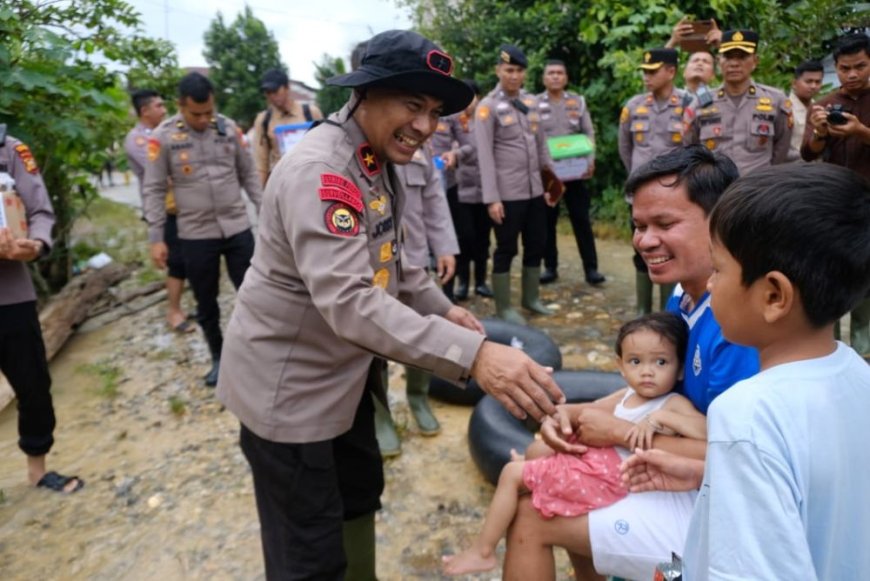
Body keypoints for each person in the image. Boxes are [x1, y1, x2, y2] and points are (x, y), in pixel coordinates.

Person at [215, 30, 565, 581]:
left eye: (433, 111)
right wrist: (473, 355)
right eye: (412, 105)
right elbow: (351, 302)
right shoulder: (324, 173)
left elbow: (392, 260)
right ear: (365, 94)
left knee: (358, 494)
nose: (426, 126)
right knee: (308, 551)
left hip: (346, 376)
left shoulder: (375, 157)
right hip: (291, 391)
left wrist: (439, 307)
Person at [501, 146, 760, 581]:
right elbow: (657, 386)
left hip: (715, 515)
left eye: (665, 224)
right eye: (639, 226)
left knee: (531, 514)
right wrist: (581, 413)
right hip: (678, 473)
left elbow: (737, 458)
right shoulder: (685, 295)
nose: (644, 241)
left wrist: (616, 431)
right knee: (541, 451)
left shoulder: (738, 325)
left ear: (722, 221)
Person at [622, 162, 870, 579]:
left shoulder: (747, 413)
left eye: (719, 270)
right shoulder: (855, 374)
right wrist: (707, 473)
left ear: (773, 295)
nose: (711, 284)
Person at [442, 311, 707, 576]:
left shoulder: (672, 403)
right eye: (636, 362)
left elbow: (708, 432)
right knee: (535, 452)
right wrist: (560, 416)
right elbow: (585, 411)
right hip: (604, 474)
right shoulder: (626, 397)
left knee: (514, 475)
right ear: (621, 366)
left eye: (661, 362)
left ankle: (483, 551)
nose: (647, 372)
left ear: (680, 369)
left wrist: (663, 418)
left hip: (615, 480)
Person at [142, 72, 263, 387]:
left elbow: (248, 174)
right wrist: (156, 237)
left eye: (209, 112)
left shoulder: (228, 128)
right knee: (206, 302)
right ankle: (219, 358)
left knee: (254, 293)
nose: (203, 119)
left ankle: (259, 354)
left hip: (237, 227)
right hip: (196, 234)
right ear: (180, 105)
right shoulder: (163, 137)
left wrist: (265, 211)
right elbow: (153, 189)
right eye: (196, 114)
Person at [0, 127, 84, 494]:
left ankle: (37, 469)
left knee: (33, 384)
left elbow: (40, 212)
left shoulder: (11, 150)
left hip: (10, 292)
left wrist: (34, 244)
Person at [374, 145, 459, 456]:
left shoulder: (419, 150)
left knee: (424, 333)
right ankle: (380, 416)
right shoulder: (357, 151)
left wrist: (445, 246)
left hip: (416, 259)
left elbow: (435, 201)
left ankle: (418, 397)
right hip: (373, 266)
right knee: (373, 339)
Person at [476, 44, 557, 324]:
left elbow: (541, 145)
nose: (513, 75)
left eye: (519, 70)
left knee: (537, 243)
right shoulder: (487, 108)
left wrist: (551, 183)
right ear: (498, 70)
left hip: (535, 189)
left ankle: (530, 298)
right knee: (506, 248)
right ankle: (503, 307)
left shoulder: (531, 102)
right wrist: (492, 199)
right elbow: (484, 156)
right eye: (509, 70)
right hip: (507, 193)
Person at [801, 32, 870, 360]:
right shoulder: (826, 104)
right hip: (833, 207)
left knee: (867, 285)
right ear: (836, 70)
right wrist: (819, 132)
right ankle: (828, 354)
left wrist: (861, 132)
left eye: (860, 66)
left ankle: (863, 352)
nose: (852, 74)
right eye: (845, 68)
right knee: (830, 277)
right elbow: (808, 154)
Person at [619, 48, 695, 315]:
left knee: (671, 248)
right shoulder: (633, 106)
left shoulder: (689, 104)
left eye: (653, 71)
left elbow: (693, 148)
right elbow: (625, 149)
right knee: (642, 248)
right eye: (645, 71)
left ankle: (667, 310)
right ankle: (642, 309)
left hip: (676, 198)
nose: (646, 77)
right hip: (641, 198)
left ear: (671, 72)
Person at [124, 89, 194, 334]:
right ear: (145, 111)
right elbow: (164, 173)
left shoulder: (167, 134)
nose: (164, 111)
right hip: (164, 211)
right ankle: (173, 311)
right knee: (176, 261)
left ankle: (190, 305)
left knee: (193, 257)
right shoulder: (138, 140)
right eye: (158, 106)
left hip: (184, 207)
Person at [537, 60, 605, 286]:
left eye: (559, 73)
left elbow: (589, 132)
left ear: (566, 78)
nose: (555, 77)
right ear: (544, 78)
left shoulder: (578, 101)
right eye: (551, 73)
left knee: (581, 219)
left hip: (576, 172)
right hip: (549, 174)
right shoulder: (534, 104)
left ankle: (591, 269)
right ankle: (550, 267)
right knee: (547, 221)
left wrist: (591, 160)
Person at [688, 29, 794, 175]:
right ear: (719, 61)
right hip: (715, 189)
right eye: (728, 57)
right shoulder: (700, 103)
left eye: (742, 57)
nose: (734, 64)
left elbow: (782, 148)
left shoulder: (776, 100)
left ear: (755, 61)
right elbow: (690, 147)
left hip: (756, 188)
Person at [433, 80, 493, 301]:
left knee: (482, 239)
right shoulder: (445, 115)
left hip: (483, 189)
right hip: (459, 188)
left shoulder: (484, 119)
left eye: (473, 96)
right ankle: (461, 284)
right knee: (463, 238)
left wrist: (455, 153)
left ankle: (480, 281)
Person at [252, 68, 324, 187]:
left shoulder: (311, 113)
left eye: (275, 91)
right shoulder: (263, 120)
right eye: (268, 93)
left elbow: (324, 150)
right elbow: (262, 163)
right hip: (282, 184)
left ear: (287, 87)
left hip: (311, 180)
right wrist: (261, 198)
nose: (272, 96)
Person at [786, 60, 824, 161]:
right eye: (808, 81)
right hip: (790, 168)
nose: (813, 86)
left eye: (818, 82)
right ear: (794, 83)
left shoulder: (820, 108)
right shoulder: (784, 108)